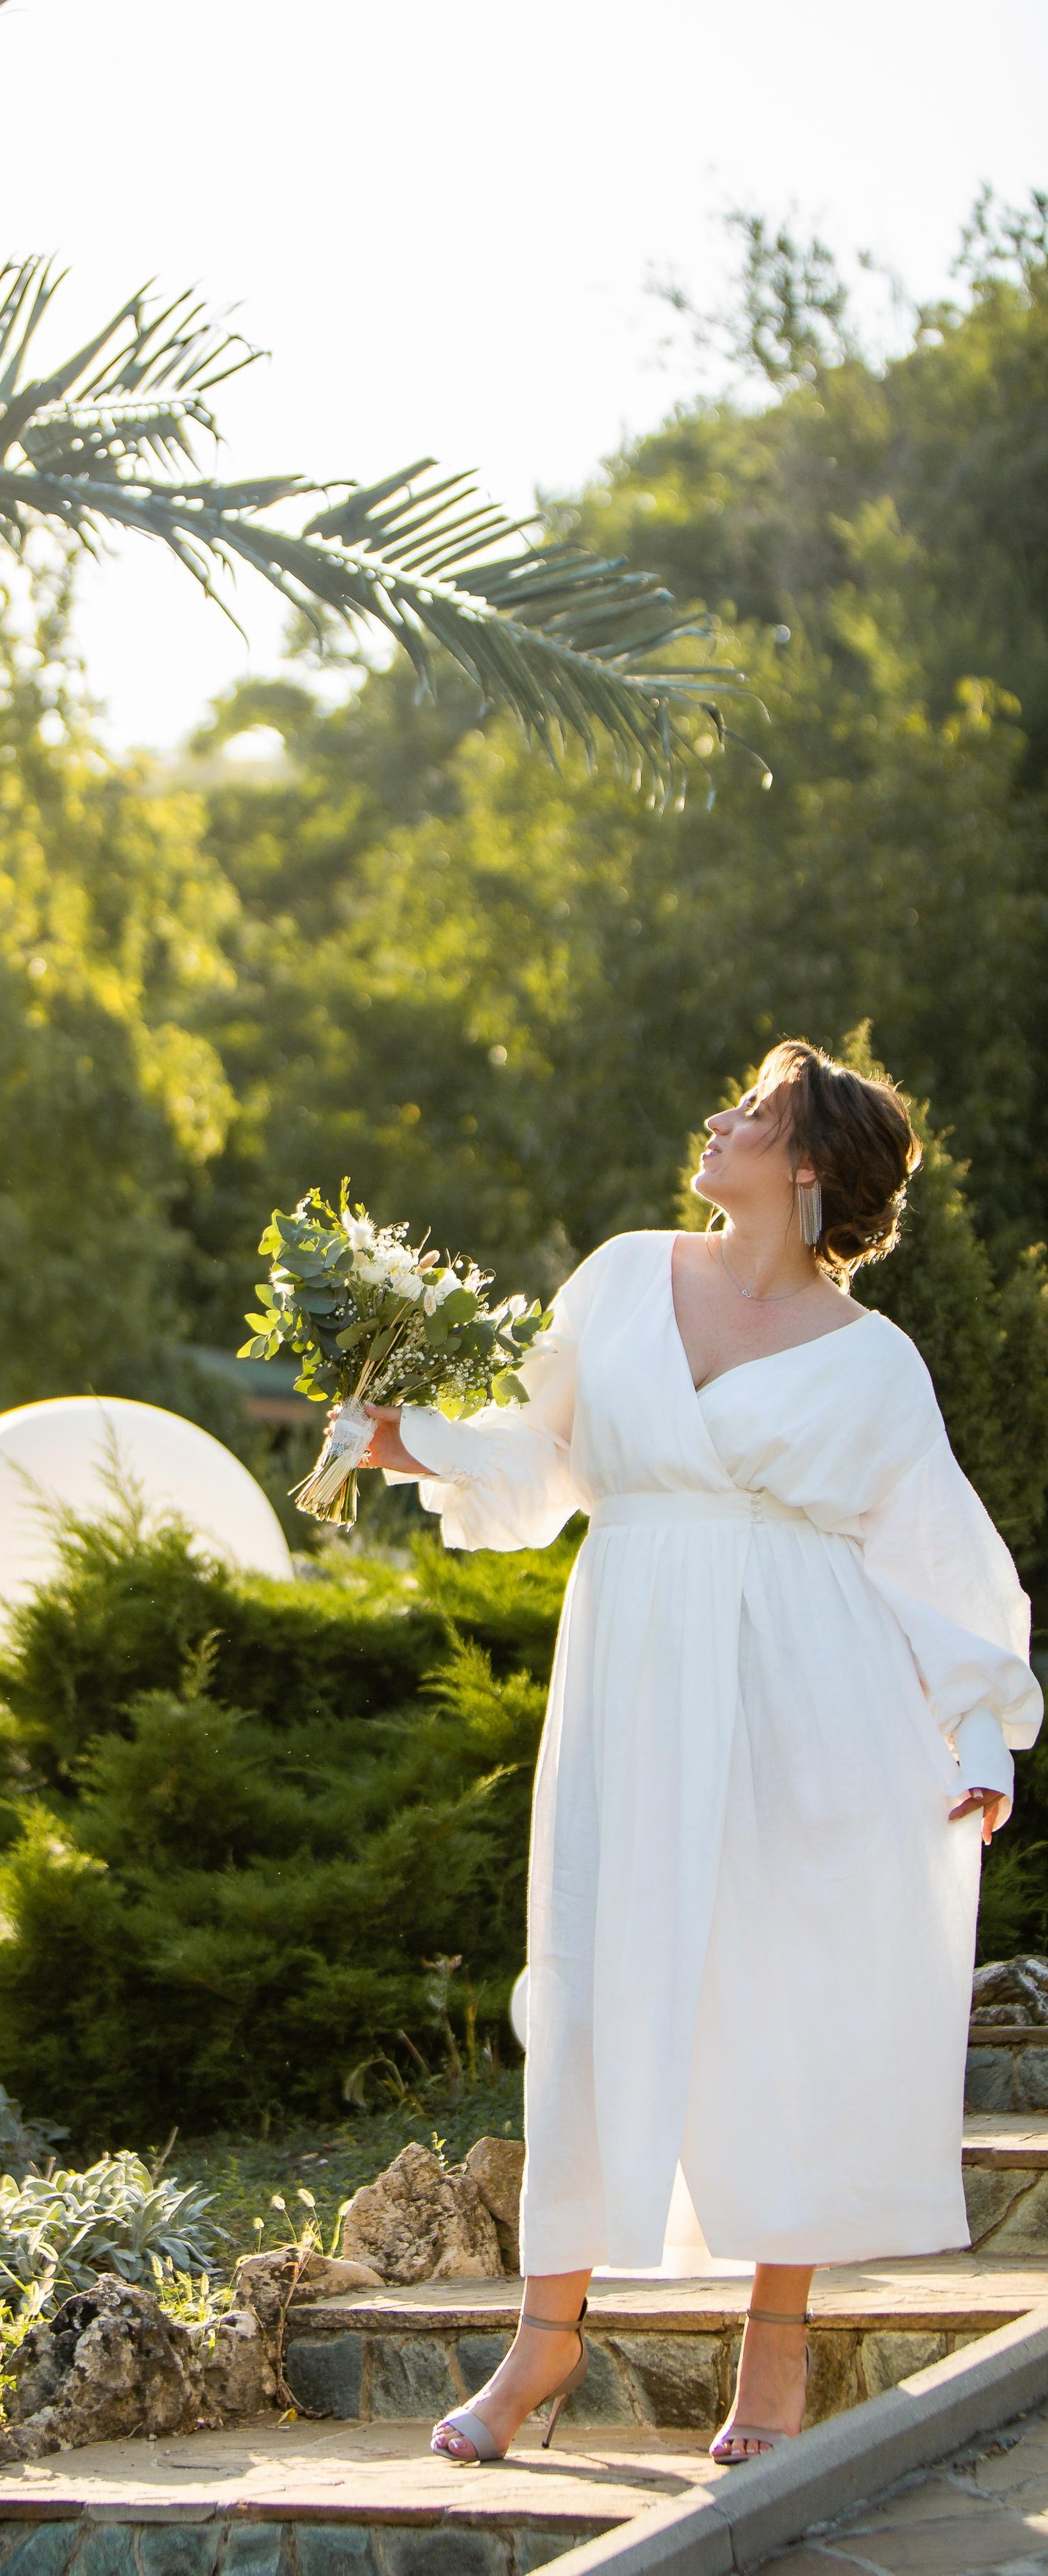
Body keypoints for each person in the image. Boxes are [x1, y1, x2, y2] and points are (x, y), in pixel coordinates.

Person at [348, 1041, 1041, 2467]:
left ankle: (769, 2357)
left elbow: (932, 1553)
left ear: (804, 1167)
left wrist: (978, 1728)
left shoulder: (871, 1361)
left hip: (808, 1689)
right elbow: (534, 1453)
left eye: (752, 1114)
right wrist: (408, 1438)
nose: (715, 1121)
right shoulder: (616, 1278)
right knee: (596, 1982)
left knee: (779, 1988)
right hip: (632, 1659)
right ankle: (543, 2346)